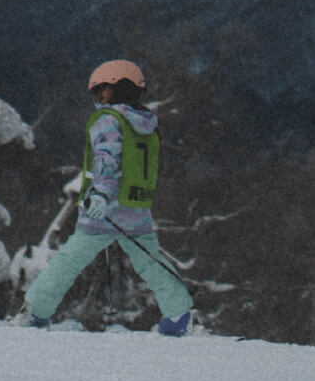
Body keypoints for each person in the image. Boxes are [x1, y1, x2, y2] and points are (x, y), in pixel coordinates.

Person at [21, 59, 194, 334]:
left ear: (122, 89)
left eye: (104, 90)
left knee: (70, 260)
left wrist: (100, 193)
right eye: (97, 92)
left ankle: (34, 312)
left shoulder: (108, 121)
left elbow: (107, 157)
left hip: (106, 208)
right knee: (150, 260)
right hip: (136, 206)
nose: (99, 97)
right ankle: (179, 314)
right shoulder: (146, 124)